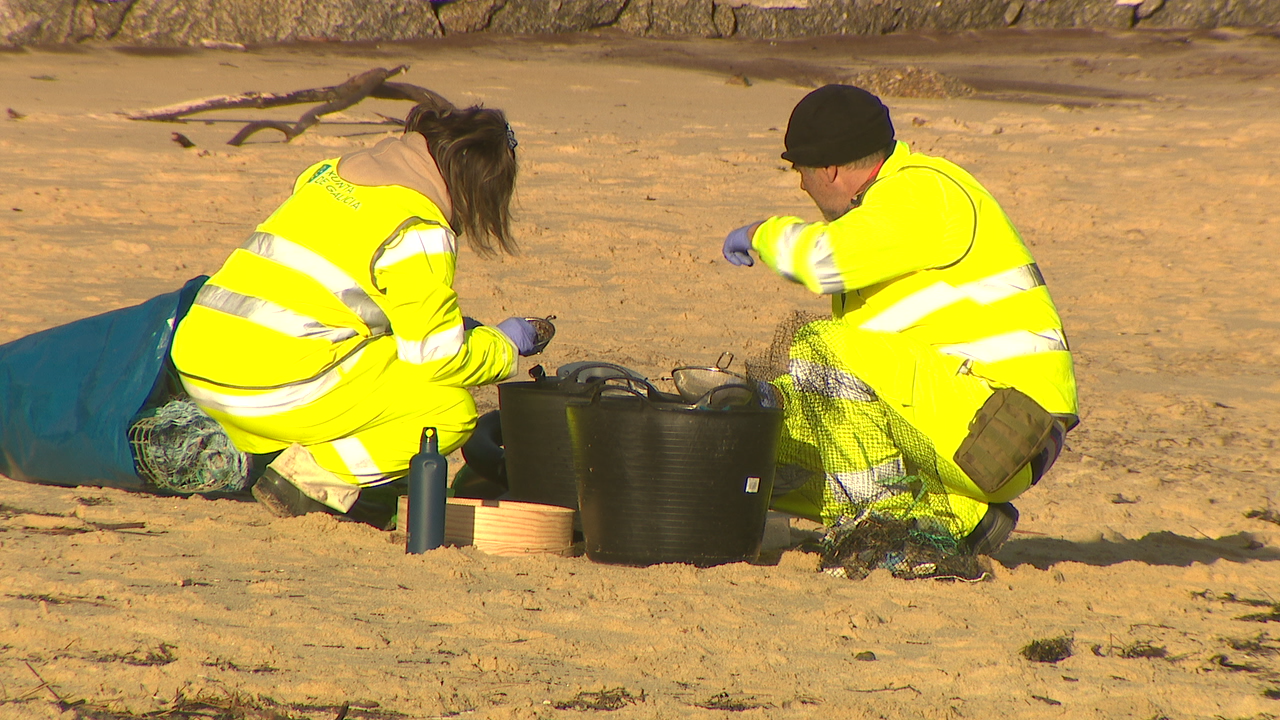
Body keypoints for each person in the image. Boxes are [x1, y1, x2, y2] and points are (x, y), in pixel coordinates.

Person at [722, 85, 1078, 554]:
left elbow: (821, 261)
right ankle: (960, 517)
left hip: (1008, 424)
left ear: (828, 169)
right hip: (969, 418)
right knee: (762, 434)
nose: (801, 186)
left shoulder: (919, 191)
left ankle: (895, 528)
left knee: (821, 348)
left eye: (800, 172)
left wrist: (759, 232)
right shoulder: (882, 211)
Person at [169, 100, 548, 521]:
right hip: (268, 388)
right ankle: (311, 479)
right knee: (448, 411)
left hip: (198, 362)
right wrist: (504, 345)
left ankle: (302, 465)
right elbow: (437, 359)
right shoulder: (417, 227)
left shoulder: (330, 173)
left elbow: (333, 289)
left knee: (380, 362)